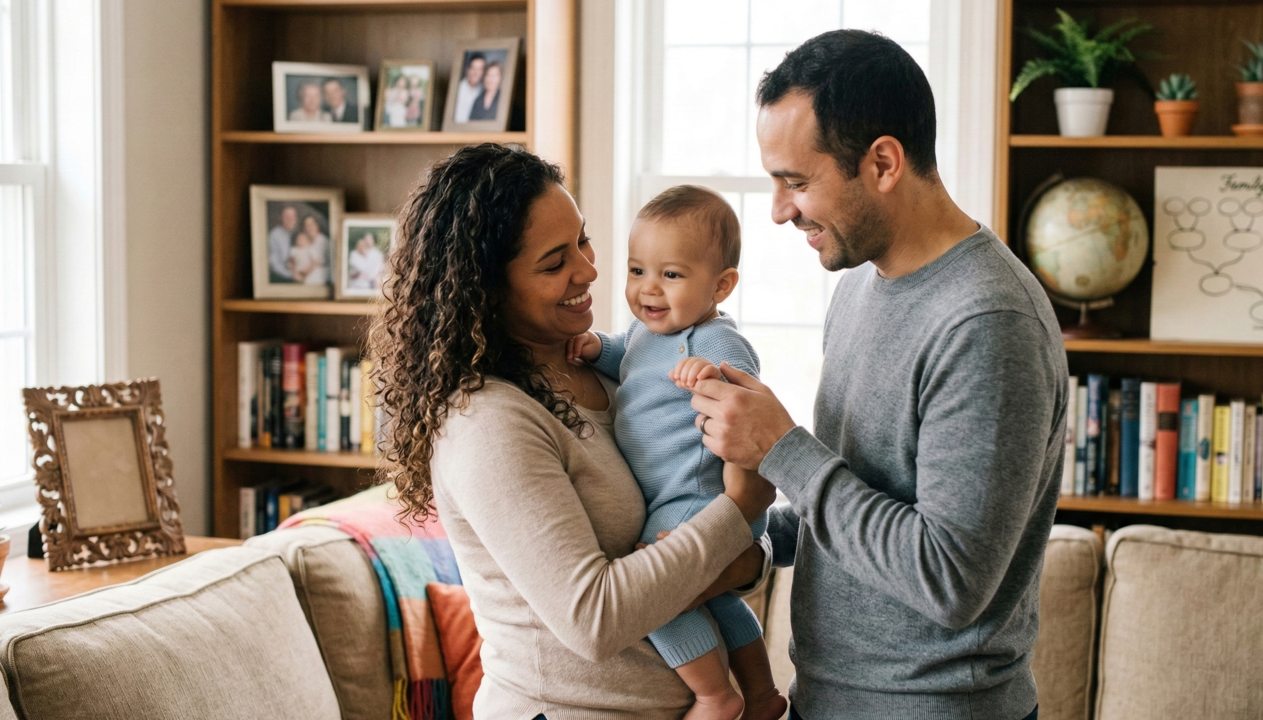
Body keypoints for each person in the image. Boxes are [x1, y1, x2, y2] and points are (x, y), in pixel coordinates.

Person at [686, 30, 1067, 720]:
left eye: (797, 182)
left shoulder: (988, 322)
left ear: (884, 162)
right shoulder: (860, 284)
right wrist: (754, 546)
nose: (777, 211)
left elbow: (947, 578)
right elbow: (857, 504)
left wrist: (783, 449)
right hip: (826, 699)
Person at [367, 143, 777, 720]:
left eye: (582, 240)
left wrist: (746, 556)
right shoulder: (487, 421)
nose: (589, 269)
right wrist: (738, 513)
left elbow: (712, 541)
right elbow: (594, 618)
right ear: (485, 289)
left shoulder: (614, 373)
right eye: (555, 262)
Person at [567, 185, 786, 720]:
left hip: (697, 493)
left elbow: (746, 392)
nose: (649, 290)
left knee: (651, 592)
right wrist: (600, 347)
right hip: (675, 495)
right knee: (715, 598)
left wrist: (709, 376)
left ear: (722, 285)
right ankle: (762, 693)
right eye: (637, 270)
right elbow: (627, 355)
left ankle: (716, 695)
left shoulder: (714, 340)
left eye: (671, 275)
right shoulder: (647, 334)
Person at [268, 204, 299, 282]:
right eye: (287, 217)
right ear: (281, 218)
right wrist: (292, 276)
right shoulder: (274, 236)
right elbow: (274, 265)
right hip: (282, 279)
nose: (290, 219)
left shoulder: (297, 235)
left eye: (293, 217)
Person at [453, 54, 486, 124]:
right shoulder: (458, 89)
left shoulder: (483, 90)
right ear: (467, 69)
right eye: (473, 68)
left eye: (480, 69)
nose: (476, 73)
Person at [300, 214, 330, 285]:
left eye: (311, 224)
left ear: (317, 225)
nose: (309, 227)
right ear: (304, 229)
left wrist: (309, 268)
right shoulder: (304, 242)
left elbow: (323, 262)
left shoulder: (324, 241)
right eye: (307, 225)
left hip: (322, 273)